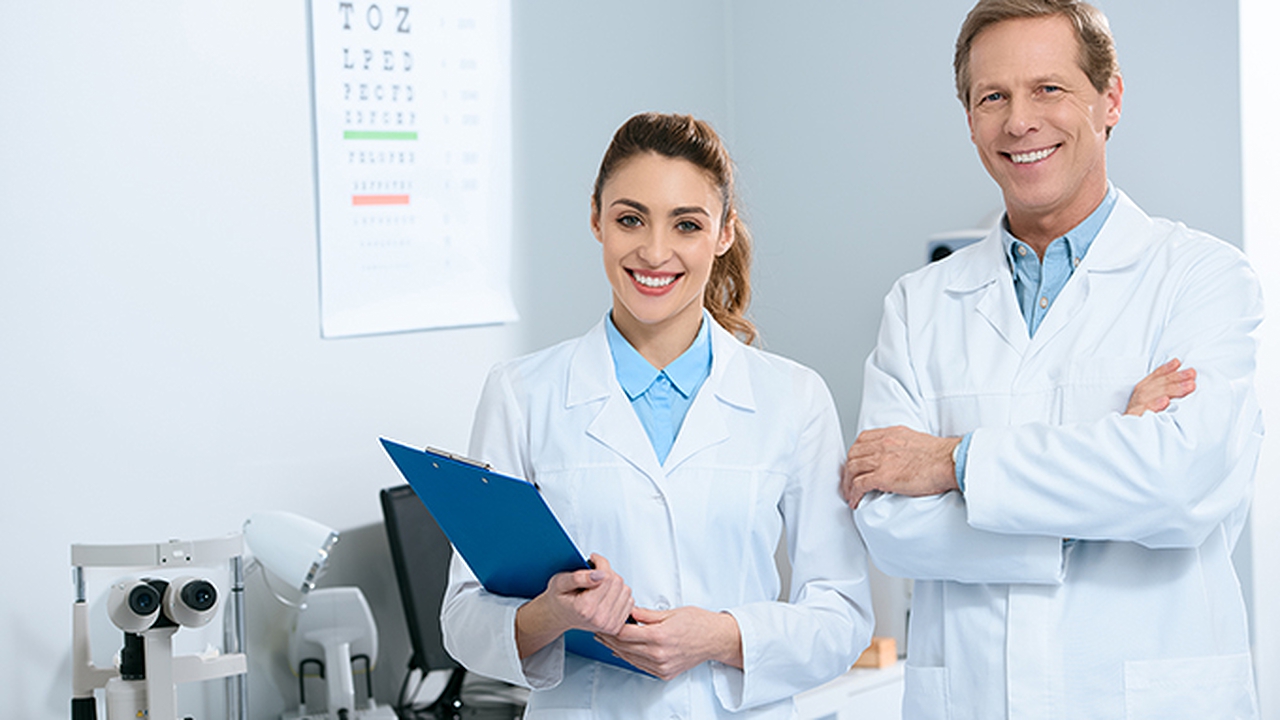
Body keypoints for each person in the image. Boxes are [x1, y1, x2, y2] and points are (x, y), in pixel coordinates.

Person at [841, 1, 1264, 718]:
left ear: (1110, 100)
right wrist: (1112, 467)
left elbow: (1179, 482)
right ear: (969, 119)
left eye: (1049, 89)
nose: (1019, 122)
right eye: (993, 97)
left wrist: (951, 463)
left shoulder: (1203, 278)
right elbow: (888, 526)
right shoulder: (918, 305)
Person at [442, 112, 874, 719]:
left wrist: (722, 636)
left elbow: (841, 615)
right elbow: (463, 619)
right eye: (630, 219)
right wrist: (551, 615)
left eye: (687, 224)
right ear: (596, 219)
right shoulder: (522, 393)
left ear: (723, 234)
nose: (654, 251)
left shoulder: (793, 398)